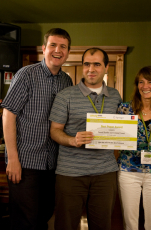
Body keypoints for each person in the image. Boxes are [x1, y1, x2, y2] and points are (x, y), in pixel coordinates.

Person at [2, 28, 73, 230]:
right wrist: (13, 159)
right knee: (25, 221)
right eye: (53, 45)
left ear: (68, 52)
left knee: (44, 216)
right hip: (25, 163)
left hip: (52, 164)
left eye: (63, 46)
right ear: (44, 48)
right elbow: (8, 115)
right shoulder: (26, 75)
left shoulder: (66, 81)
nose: (57, 50)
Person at [49, 47, 122, 230]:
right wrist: (72, 140)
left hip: (105, 174)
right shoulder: (65, 95)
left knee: (102, 225)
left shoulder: (115, 96)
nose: (91, 69)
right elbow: (54, 131)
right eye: (87, 64)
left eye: (97, 64)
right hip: (70, 174)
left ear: (105, 67)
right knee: (66, 225)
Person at [117, 66, 151, 230]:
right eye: (141, 82)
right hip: (128, 171)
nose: (145, 86)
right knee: (130, 221)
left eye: (150, 82)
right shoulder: (124, 109)